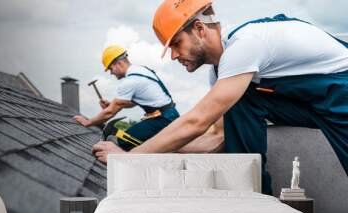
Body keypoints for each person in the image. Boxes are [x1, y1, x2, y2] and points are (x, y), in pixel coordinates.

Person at [93, 0, 348, 195]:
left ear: (200, 29)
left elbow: (197, 122)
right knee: (242, 101)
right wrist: (154, 150)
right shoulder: (223, 75)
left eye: (176, 44)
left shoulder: (245, 46)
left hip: (341, 91)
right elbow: (216, 137)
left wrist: (129, 158)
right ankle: (255, 202)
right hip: (310, 103)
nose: (173, 56)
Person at [73, 45, 180, 151]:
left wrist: (88, 122)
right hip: (168, 115)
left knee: (122, 141)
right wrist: (112, 104)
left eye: (111, 68)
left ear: (119, 63)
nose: (111, 73)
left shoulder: (130, 81)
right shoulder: (141, 70)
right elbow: (131, 103)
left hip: (163, 119)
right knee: (135, 138)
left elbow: (109, 113)